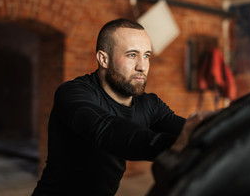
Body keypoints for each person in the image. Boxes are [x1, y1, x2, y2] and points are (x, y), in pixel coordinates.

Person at [31, 18, 205, 196]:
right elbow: (106, 129)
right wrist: (174, 146)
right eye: (132, 55)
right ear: (103, 59)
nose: (142, 66)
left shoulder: (150, 104)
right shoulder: (73, 93)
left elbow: (187, 130)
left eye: (146, 55)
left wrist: (215, 127)